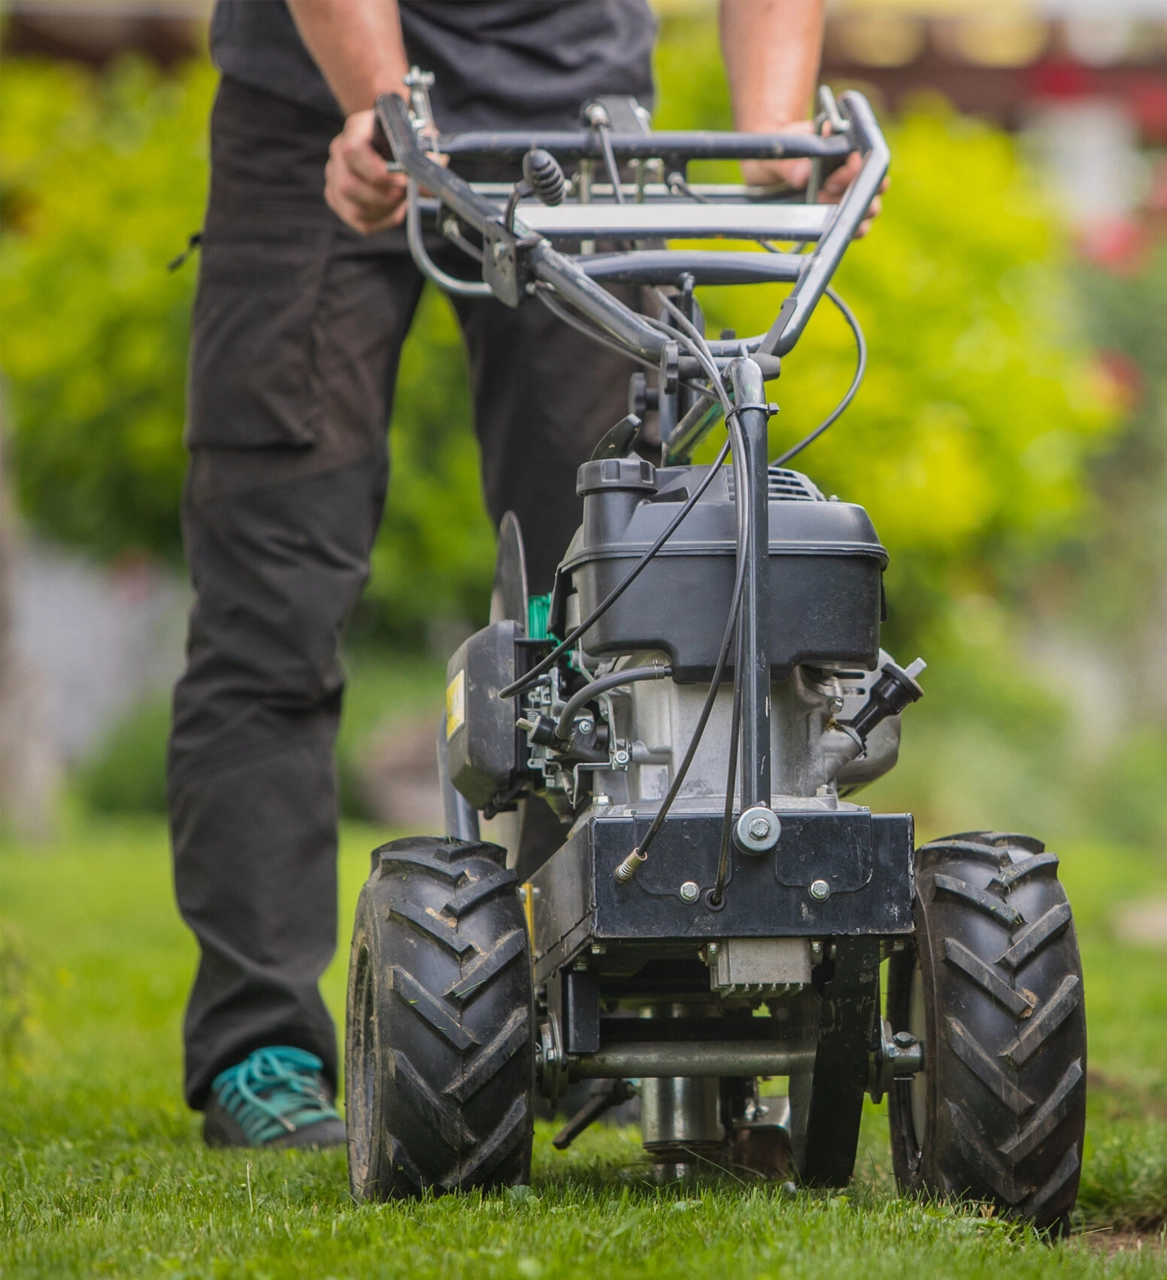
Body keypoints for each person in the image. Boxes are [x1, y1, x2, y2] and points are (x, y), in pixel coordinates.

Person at [172, 0, 876, 1149]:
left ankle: (596, 1008)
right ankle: (266, 1045)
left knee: (616, 594)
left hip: (578, 115)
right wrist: (375, 102)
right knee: (275, 594)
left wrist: (777, 131)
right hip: (314, 100)